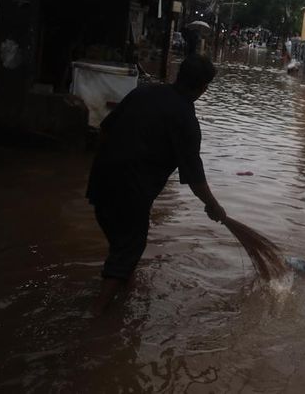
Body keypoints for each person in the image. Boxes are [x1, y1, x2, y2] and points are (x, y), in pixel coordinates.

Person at [86, 57, 226, 315]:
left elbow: (104, 131)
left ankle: (125, 292)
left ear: (179, 75)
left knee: (123, 245)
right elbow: (195, 180)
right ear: (204, 88)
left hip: (100, 179)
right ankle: (95, 314)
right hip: (131, 190)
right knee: (130, 247)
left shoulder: (143, 93)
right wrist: (215, 207)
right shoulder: (186, 121)